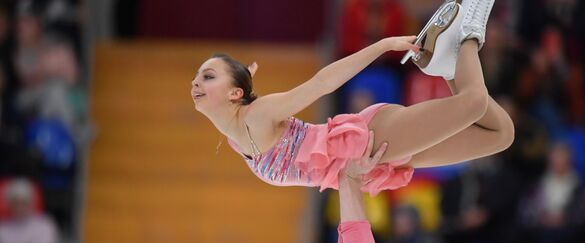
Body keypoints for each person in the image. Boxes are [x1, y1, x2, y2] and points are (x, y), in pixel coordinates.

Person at [190, 0, 514, 196]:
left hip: (369, 139)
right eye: (200, 76)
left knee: (474, 103)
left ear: (235, 94)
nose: (195, 82)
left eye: (207, 75)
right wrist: (242, 79)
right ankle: (445, 65)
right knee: (501, 135)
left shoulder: (256, 116)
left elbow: (322, 83)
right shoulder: (235, 137)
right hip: (374, 162)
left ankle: (469, 31)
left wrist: (382, 45)